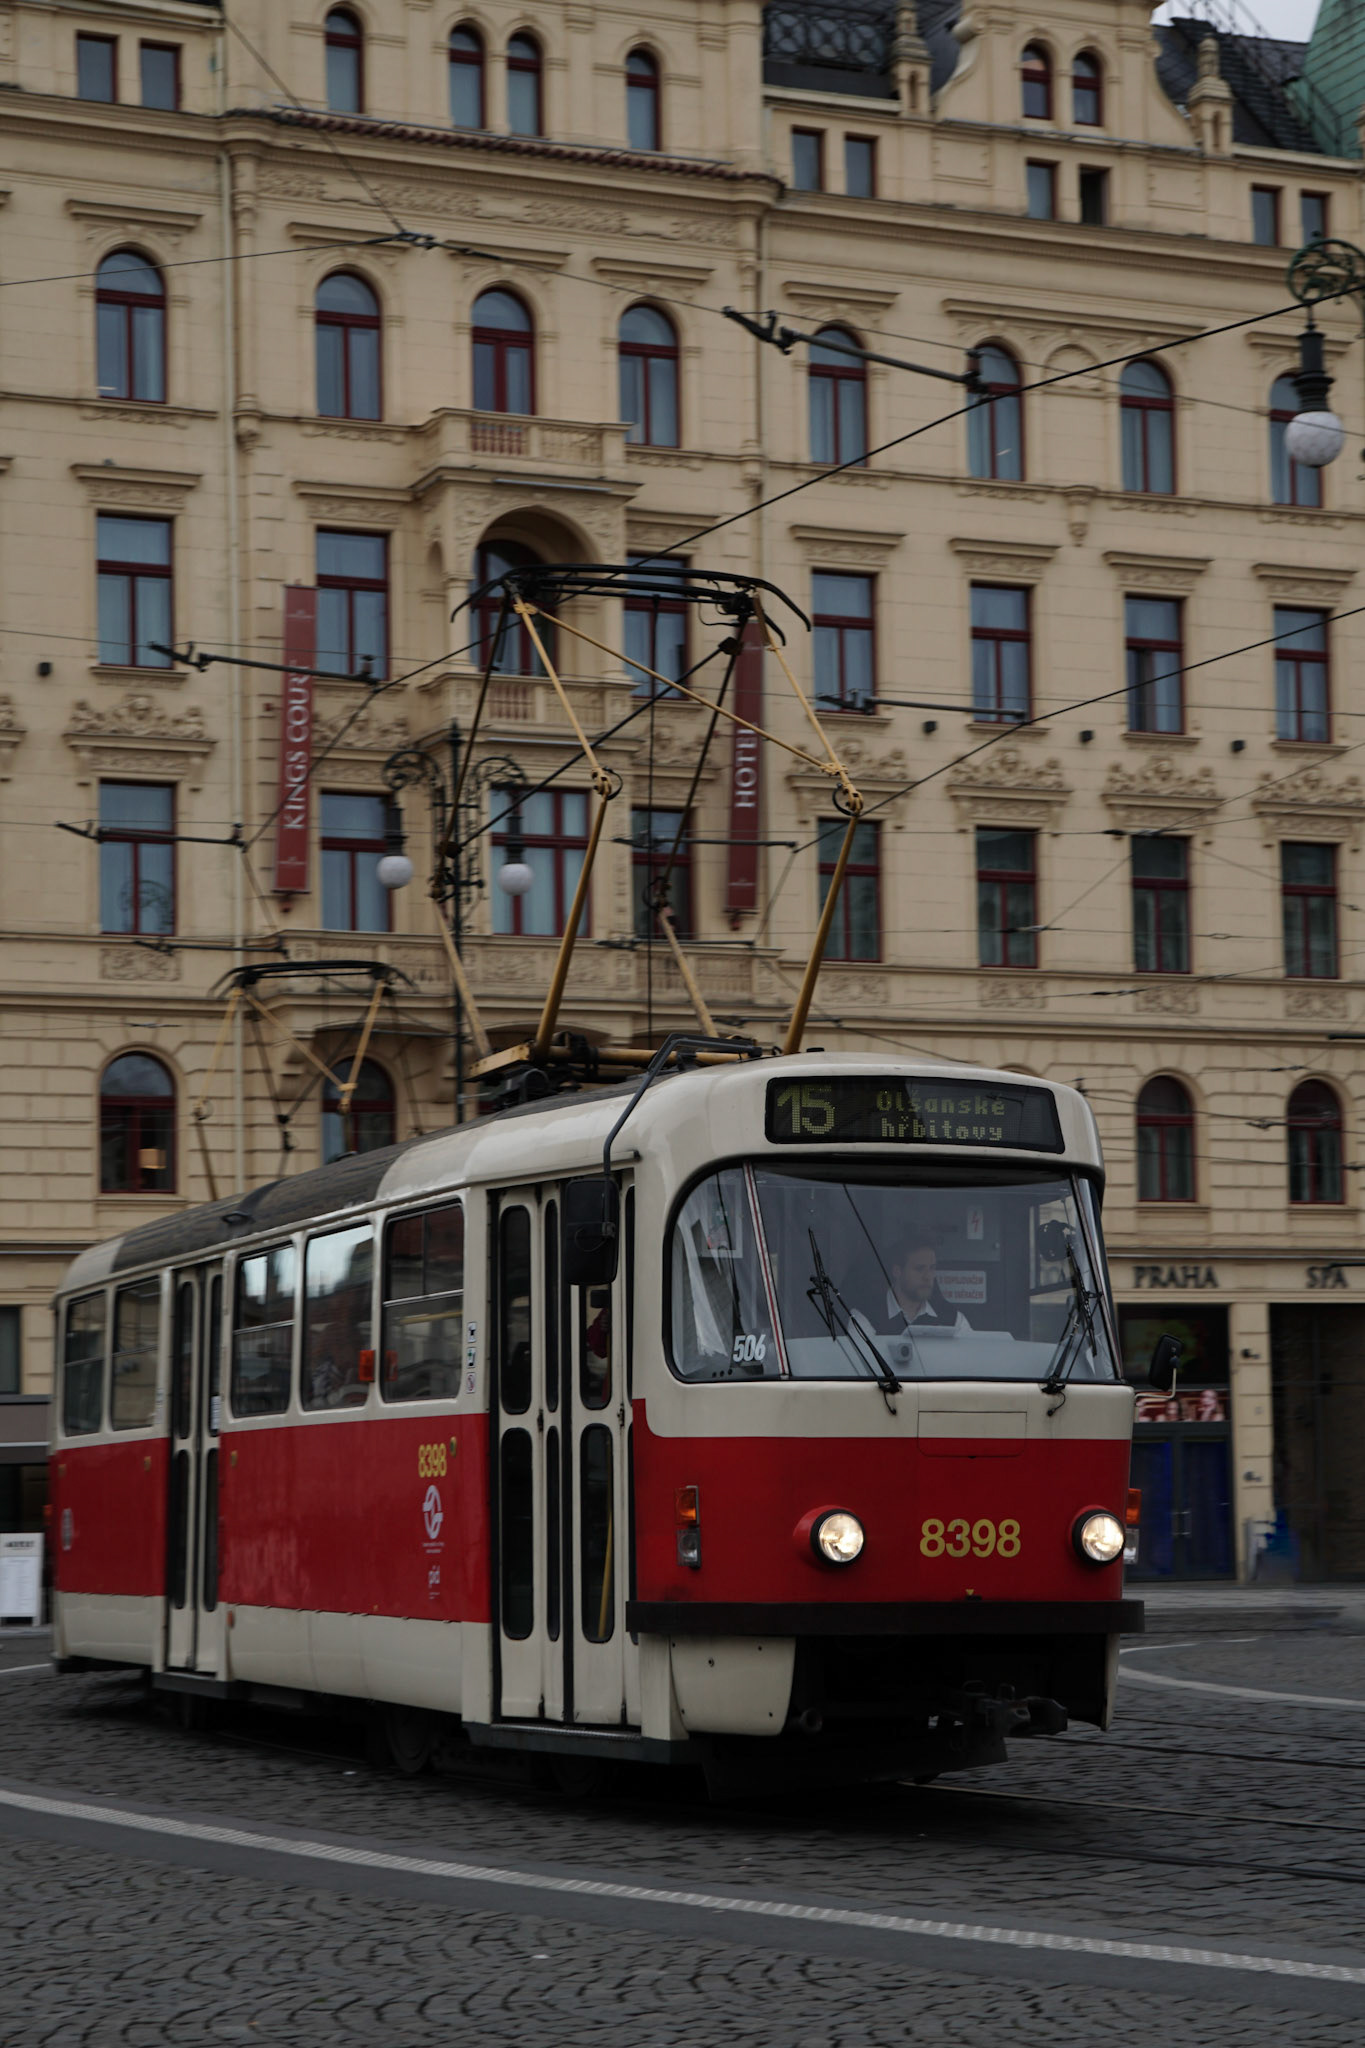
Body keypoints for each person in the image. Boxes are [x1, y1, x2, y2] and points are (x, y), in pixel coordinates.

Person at [877, 1233, 971, 1337]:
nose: (928, 1276)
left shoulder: (953, 1319)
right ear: (897, 1271)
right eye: (919, 1269)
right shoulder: (869, 1316)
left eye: (932, 1268)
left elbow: (970, 1346)